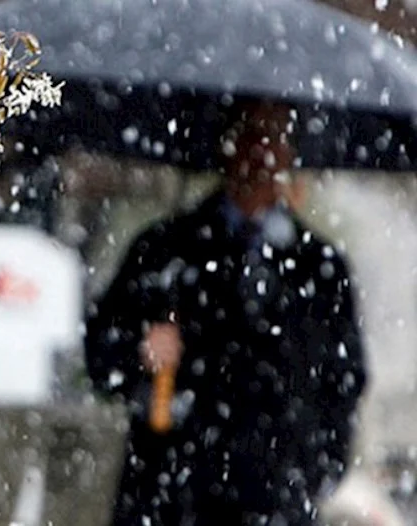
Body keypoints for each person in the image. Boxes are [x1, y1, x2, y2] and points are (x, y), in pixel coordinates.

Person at [84, 102, 368, 526]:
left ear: (291, 154)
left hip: (276, 496)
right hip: (169, 494)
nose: (261, 152)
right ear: (226, 146)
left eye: (274, 137)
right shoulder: (163, 250)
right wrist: (139, 350)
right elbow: (100, 357)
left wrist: (315, 467)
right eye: (250, 134)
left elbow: (343, 380)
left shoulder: (320, 268)